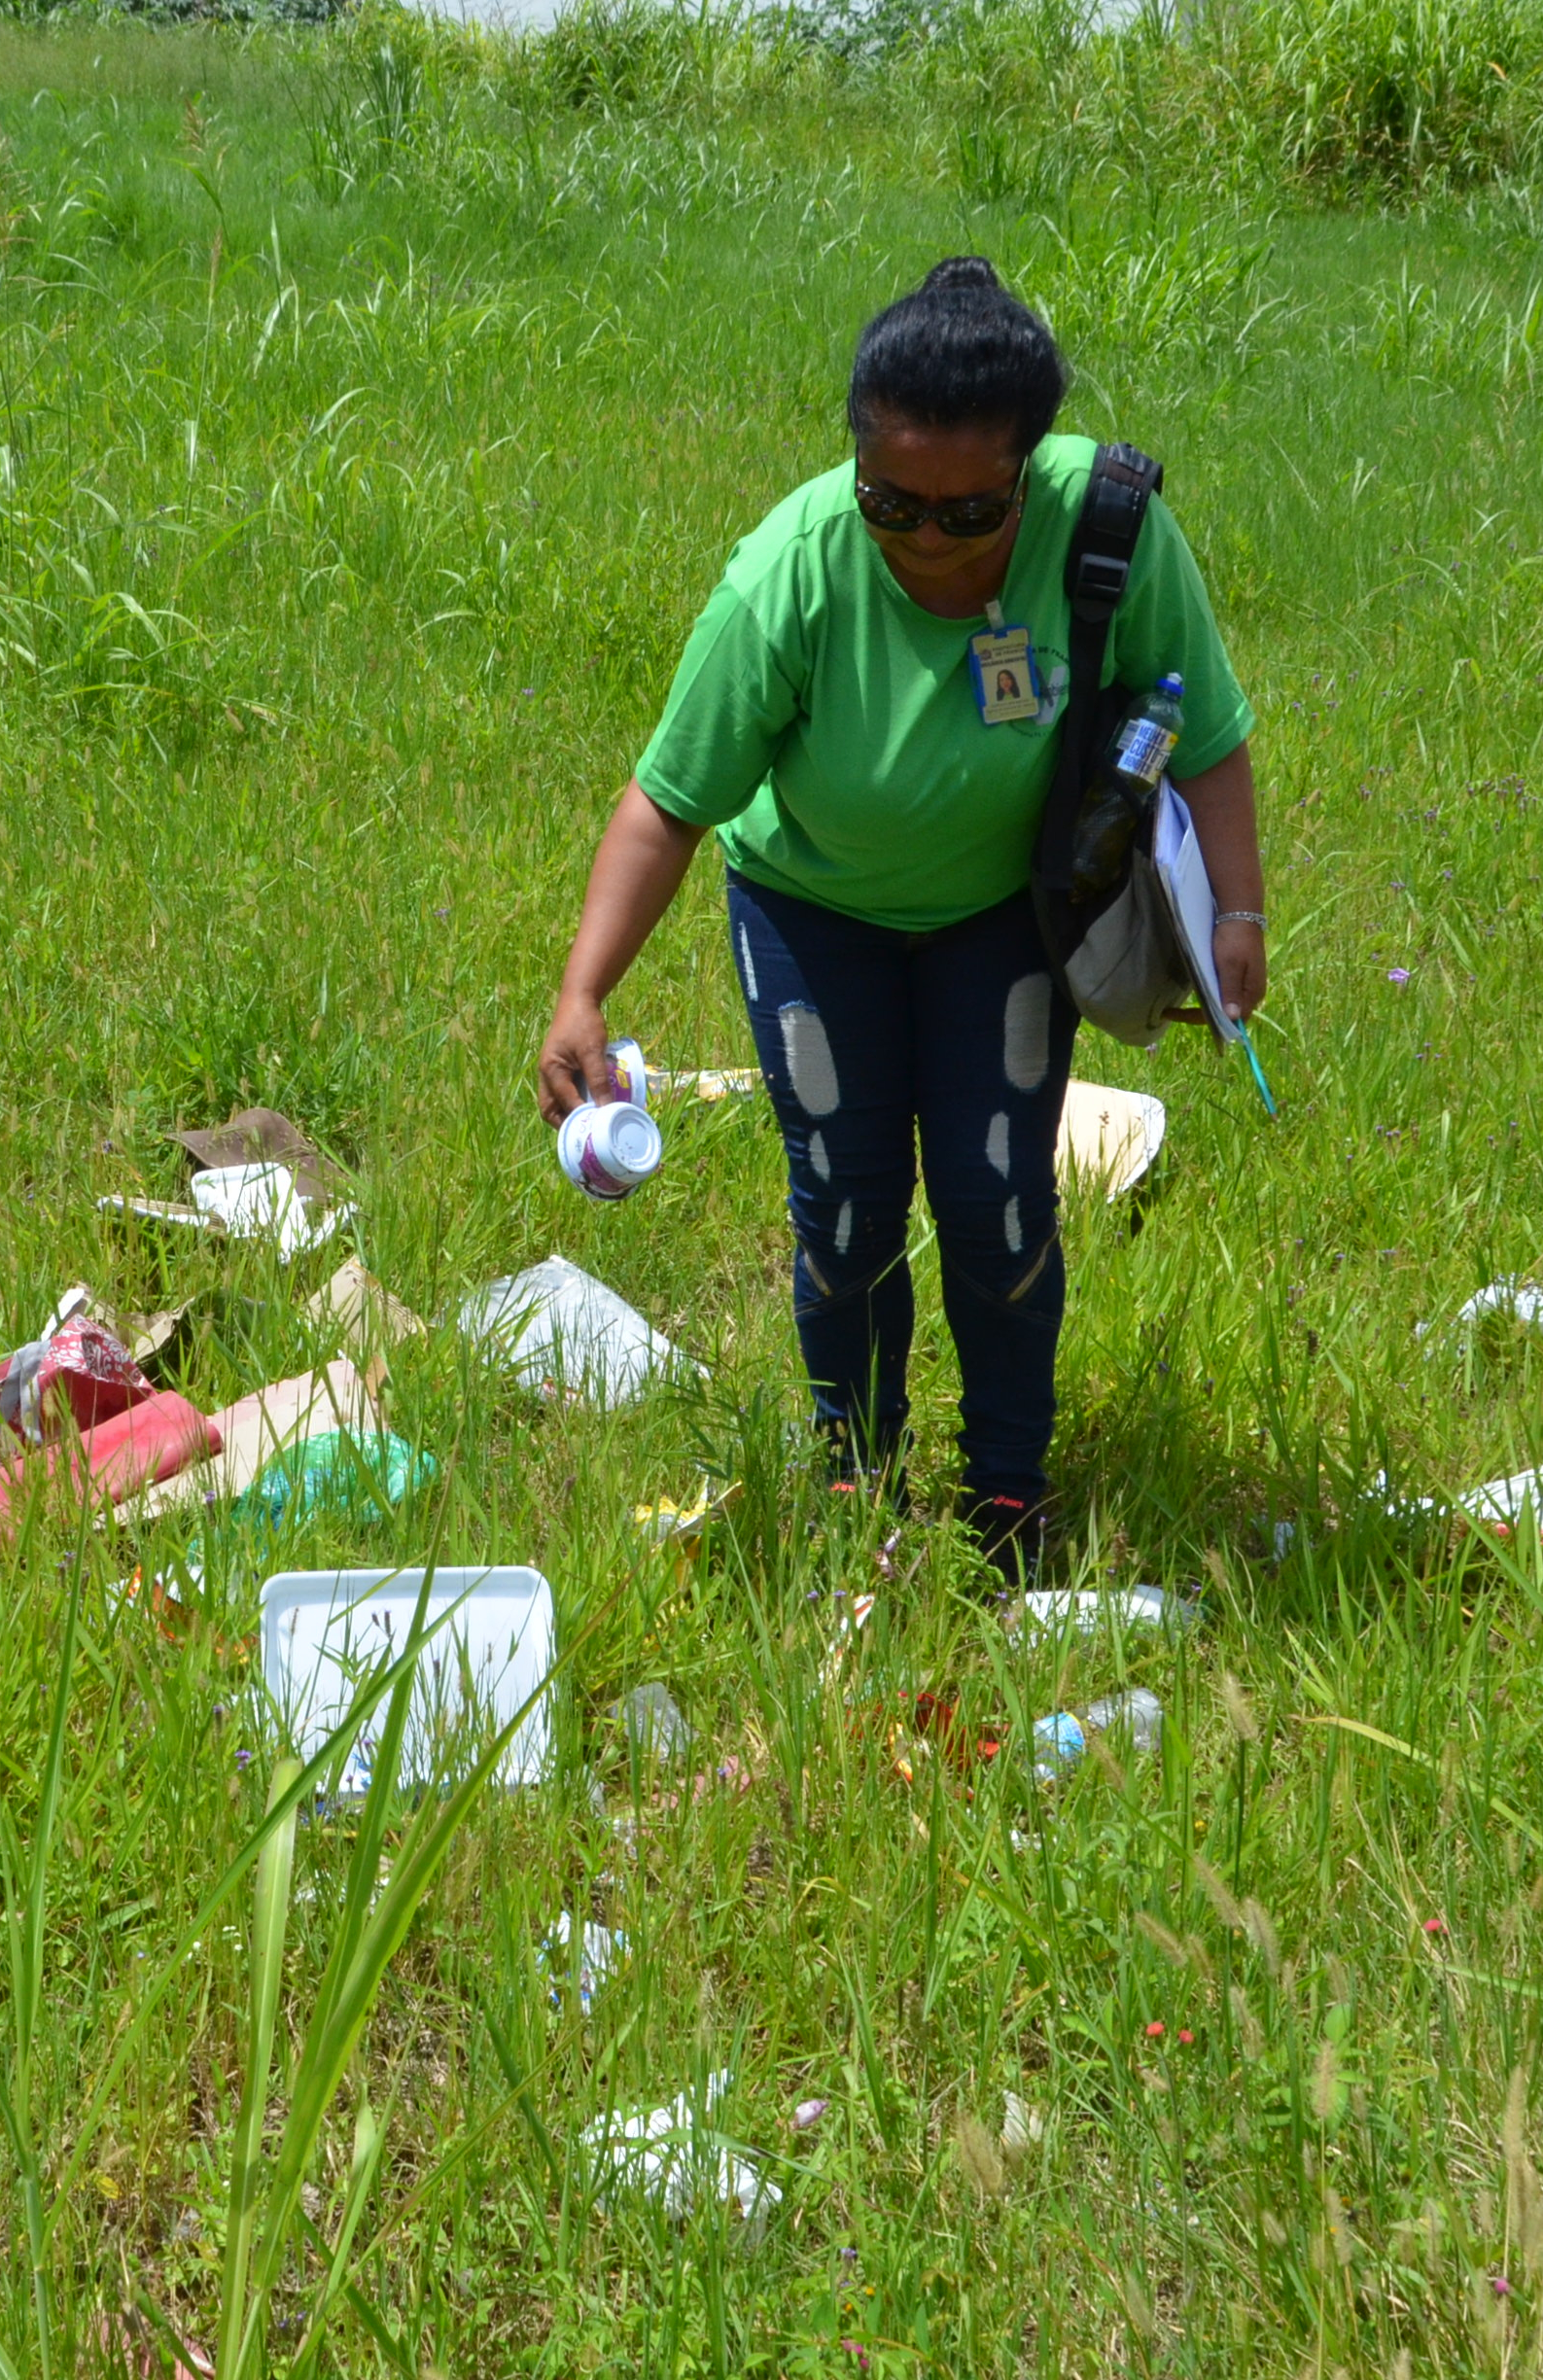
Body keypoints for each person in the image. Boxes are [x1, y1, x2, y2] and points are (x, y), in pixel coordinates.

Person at [535, 256, 1268, 1590]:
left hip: (1004, 916)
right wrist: (583, 993)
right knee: (847, 1208)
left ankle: (1007, 1497)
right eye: (894, 502)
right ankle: (855, 1485)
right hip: (813, 909)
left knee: (996, 1200)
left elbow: (1205, 729)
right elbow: (667, 803)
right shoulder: (791, 573)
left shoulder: (1110, 529)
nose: (926, 538)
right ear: (856, 469)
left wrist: (1239, 916)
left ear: (1028, 473)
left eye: (969, 511)